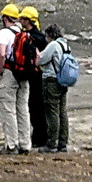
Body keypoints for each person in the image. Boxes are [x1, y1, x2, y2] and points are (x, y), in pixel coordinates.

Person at [0, 3, 28, 153]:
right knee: (22, 109)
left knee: (8, 110)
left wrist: (0, 71)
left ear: (5, 17)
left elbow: (2, 54)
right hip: (24, 74)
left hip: (9, 72)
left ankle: (11, 145)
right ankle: (25, 144)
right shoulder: (24, 33)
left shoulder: (4, 33)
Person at [35, 22, 71, 152]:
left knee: (52, 112)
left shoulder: (53, 45)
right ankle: (63, 142)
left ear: (50, 35)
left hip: (52, 80)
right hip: (63, 80)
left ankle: (51, 143)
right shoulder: (65, 44)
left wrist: (38, 54)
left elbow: (40, 61)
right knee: (62, 112)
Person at [19, 6, 48, 149]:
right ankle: (39, 136)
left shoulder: (34, 38)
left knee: (36, 107)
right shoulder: (38, 36)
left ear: (28, 20)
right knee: (34, 106)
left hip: (36, 76)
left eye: (23, 19)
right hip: (35, 75)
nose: (20, 21)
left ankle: (40, 137)